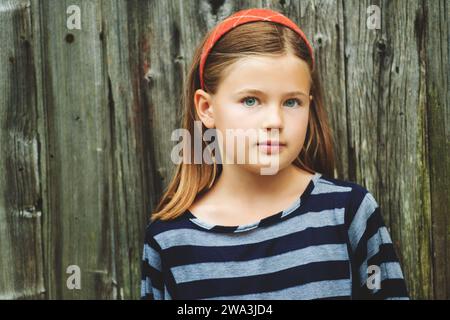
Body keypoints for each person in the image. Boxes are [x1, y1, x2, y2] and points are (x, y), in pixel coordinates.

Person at [141, 8, 409, 300]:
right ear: (206, 108)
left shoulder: (349, 213)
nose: (275, 121)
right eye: (251, 100)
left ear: (309, 104)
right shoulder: (169, 241)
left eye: (292, 102)